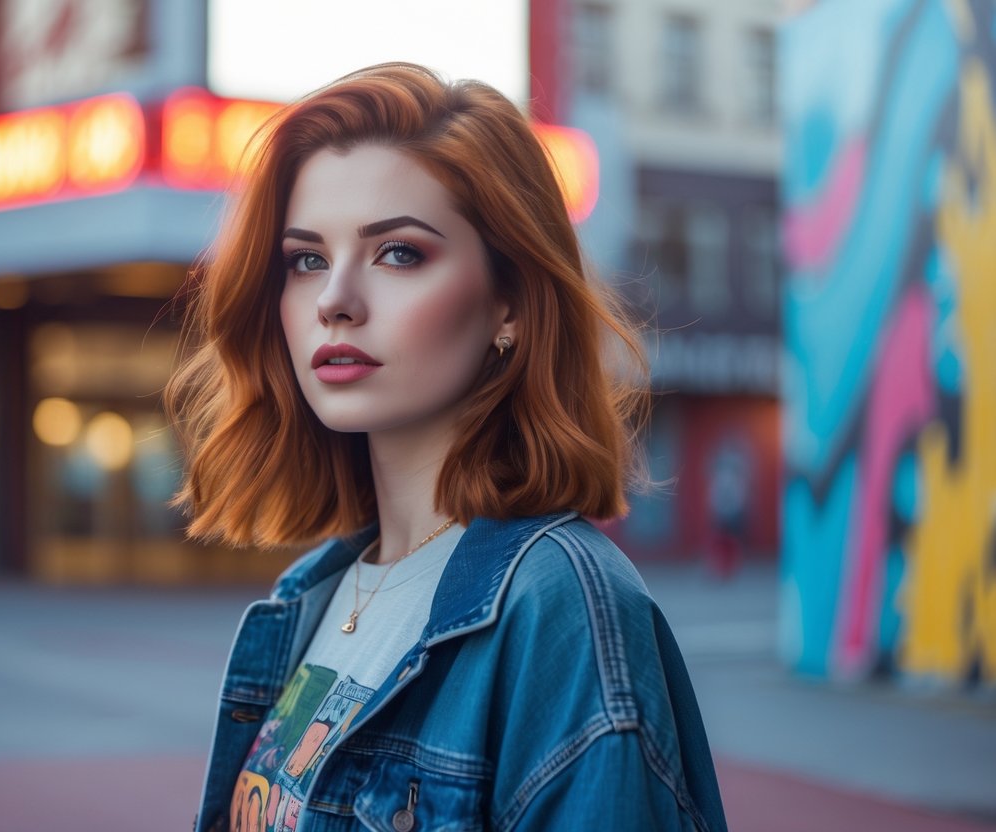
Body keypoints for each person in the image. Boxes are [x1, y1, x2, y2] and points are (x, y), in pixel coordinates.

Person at [166, 62, 727, 832]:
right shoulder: (315, 591)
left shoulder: (562, 610)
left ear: (510, 304)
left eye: (398, 252)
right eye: (306, 259)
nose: (334, 300)